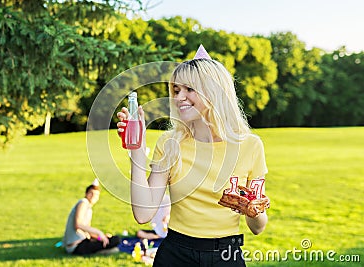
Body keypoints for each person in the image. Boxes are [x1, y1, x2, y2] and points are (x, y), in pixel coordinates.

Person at [117, 45, 269, 266]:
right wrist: (137, 150)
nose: (179, 97)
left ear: (214, 91)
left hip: (226, 256)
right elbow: (143, 214)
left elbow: (258, 227)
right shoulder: (170, 144)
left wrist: (251, 209)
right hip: (176, 255)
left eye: (189, 89)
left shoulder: (250, 146)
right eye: (176, 90)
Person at [62, 179, 120, 255]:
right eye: (91, 193)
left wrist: (101, 237)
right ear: (86, 193)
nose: (93, 196)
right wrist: (99, 232)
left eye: (96, 195)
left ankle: (102, 249)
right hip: (76, 246)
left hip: (83, 242)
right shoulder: (83, 202)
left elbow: (87, 231)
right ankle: (102, 251)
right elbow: (77, 225)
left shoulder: (89, 209)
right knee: (116, 240)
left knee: (111, 240)